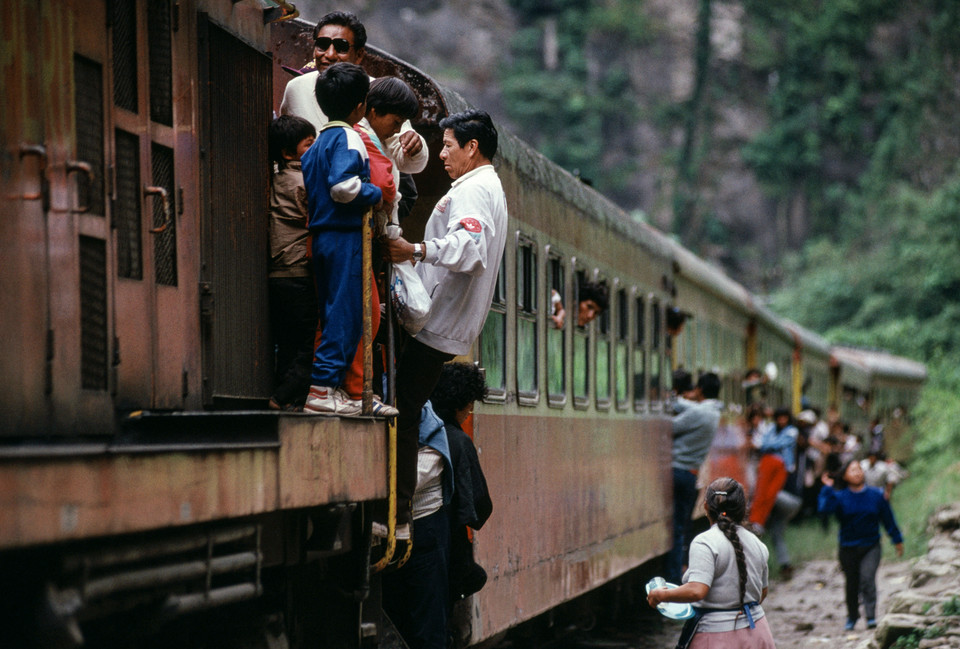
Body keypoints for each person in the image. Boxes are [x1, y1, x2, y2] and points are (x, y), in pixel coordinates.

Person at [384, 110, 507, 539]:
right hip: (444, 322)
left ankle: (397, 514)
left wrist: (414, 250)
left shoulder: (474, 190)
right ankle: (399, 511)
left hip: (438, 323)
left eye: (448, 145)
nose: (441, 154)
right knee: (407, 405)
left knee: (402, 408)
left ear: (472, 148)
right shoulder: (485, 187)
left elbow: (469, 249)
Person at [299, 63, 394, 416]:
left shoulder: (319, 141)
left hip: (321, 236)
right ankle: (322, 389)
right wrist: (372, 193)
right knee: (345, 314)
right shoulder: (350, 137)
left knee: (331, 312)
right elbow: (343, 187)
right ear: (360, 106)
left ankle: (334, 388)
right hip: (345, 236)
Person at [382, 362, 492, 649]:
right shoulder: (452, 439)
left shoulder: (415, 422)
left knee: (401, 614)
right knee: (429, 625)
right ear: (463, 404)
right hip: (431, 536)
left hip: (396, 531)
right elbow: (479, 507)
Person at [279, 11, 428, 193]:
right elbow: (285, 143)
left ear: (359, 55)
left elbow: (409, 163)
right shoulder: (295, 89)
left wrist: (415, 146)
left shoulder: (379, 91)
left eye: (341, 47)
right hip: (313, 207)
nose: (330, 54)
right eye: (322, 45)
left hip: (370, 209)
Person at [648, 478, 776, 649]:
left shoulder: (704, 542)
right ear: (742, 508)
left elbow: (696, 591)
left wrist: (661, 595)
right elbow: (762, 592)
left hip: (717, 636)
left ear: (706, 506)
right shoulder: (756, 543)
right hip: (758, 633)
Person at [266, 115, 317, 411]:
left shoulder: (276, 179)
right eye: (309, 145)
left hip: (278, 273)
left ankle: (283, 395)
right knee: (309, 341)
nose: (315, 149)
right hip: (299, 270)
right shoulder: (303, 181)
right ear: (288, 154)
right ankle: (284, 396)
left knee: (286, 343)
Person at [819, 459, 904, 631]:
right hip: (848, 548)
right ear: (845, 476)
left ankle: (871, 616)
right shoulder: (840, 496)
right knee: (852, 584)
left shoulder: (877, 495)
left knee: (867, 579)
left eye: (859, 469)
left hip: (871, 545)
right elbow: (824, 510)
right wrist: (827, 487)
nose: (857, 472)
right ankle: (852, 615)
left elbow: (888, 519)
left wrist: (897, 540)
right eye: (852, 470)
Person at [666, 372, 723, 584]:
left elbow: (668, 427)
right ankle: (677, 575)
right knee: (681, 527)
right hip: (690, 474)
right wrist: (677, 400)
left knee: (677, 529)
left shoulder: (701, 413)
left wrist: (670, 400)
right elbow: (690, 409)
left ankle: (673, 578)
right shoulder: (712, 412)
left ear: (699, 390)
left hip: (677, 470)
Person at [747, 407, 798, 534]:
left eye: (784, 417)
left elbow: (772, 444)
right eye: (779, 417)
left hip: (781, 464)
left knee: (771, 494)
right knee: (760, 492)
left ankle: (760, 522)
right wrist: (767, 445)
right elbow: (767, 443)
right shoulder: (771, 428)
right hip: (768, 460)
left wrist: (766, 445)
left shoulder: (792, 431)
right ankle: (754, 521)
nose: (781, 420)